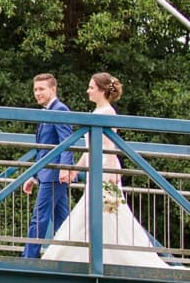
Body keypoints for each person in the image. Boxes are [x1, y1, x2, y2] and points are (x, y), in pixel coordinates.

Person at [42, 72, 175, 268]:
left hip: (105, 169)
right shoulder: (97, 113)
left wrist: (113, 173)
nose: (88, 90)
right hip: (95, 169)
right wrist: (74, 169)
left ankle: (110, 257)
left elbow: (110, 146)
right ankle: (86, 255)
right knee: (93, 212)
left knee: (109, 212)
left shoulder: (108, 113)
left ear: (102, 90)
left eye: (91, 87)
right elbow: (90, 148)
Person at [20, 73, 75, 259]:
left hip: (54, 174)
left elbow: (67, 142)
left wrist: (65, 168)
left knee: (40, 215)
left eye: (41, 89)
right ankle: (70, 255)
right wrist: (34, 176)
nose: (37, 93)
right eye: (35, 89)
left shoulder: (60, 110)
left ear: (53, 89)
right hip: (47, 174)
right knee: (62, 220)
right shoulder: (47, 111)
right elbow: (43, 151)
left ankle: (29, 257)